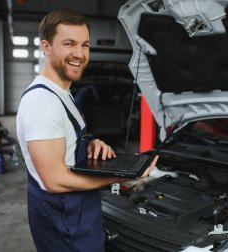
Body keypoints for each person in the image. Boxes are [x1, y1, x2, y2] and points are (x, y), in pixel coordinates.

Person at [16, 8, 158, 252]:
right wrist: (123, 176)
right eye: (69, 44)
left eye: (85, 45)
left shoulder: (62, 93)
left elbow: (65, 143)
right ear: (46, 47)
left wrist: (89, 143)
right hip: (65, 222)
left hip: (76, 213)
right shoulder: (41, 101)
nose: (79, 54)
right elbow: (55, 180)